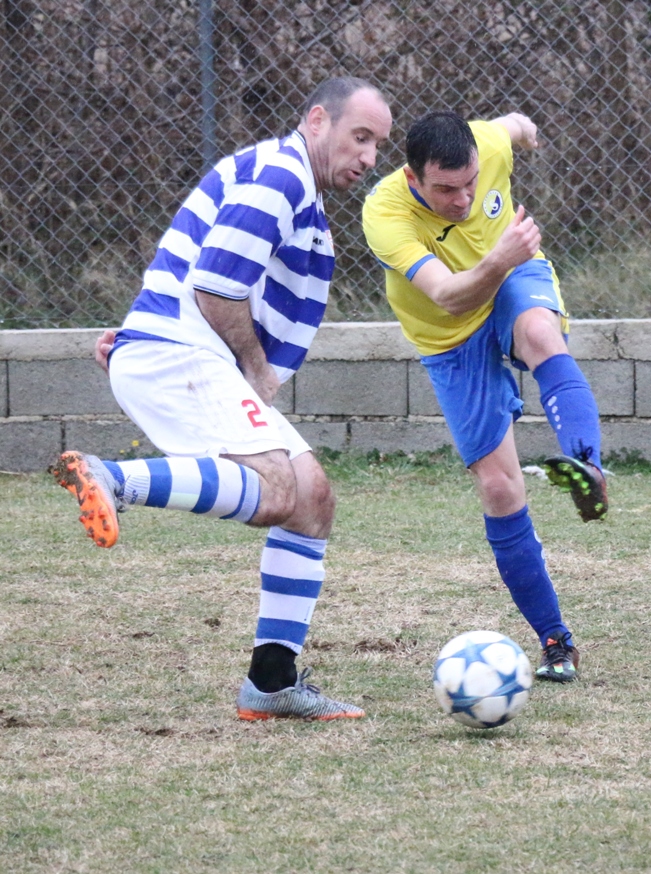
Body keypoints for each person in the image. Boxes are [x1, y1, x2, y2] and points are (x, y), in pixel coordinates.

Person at [51, 77, 393, 720]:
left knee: (311, 495)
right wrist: (254, 370)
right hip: (183, 353)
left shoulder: (296, 188)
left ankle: (271, 684)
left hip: (176, 348)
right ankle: (110, 478)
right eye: (361, 137)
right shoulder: (284, 174)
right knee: (275, 491)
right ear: (317, 120)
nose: (370, 157)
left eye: (378, 145)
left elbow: (199, 267)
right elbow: (214, 285)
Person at [362, 110, 608, 681]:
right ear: (413, 177)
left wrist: (531, 130)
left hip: (512, 282)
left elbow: (518, 123)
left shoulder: (488, 144)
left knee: (542, 335)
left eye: (470, 182)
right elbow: (447, 296)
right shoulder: (385, 211)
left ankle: (587, 464)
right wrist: (501, 255)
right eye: (445, 189)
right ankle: (556, 642)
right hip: (449, 331)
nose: (463, 198)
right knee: (499, 487)